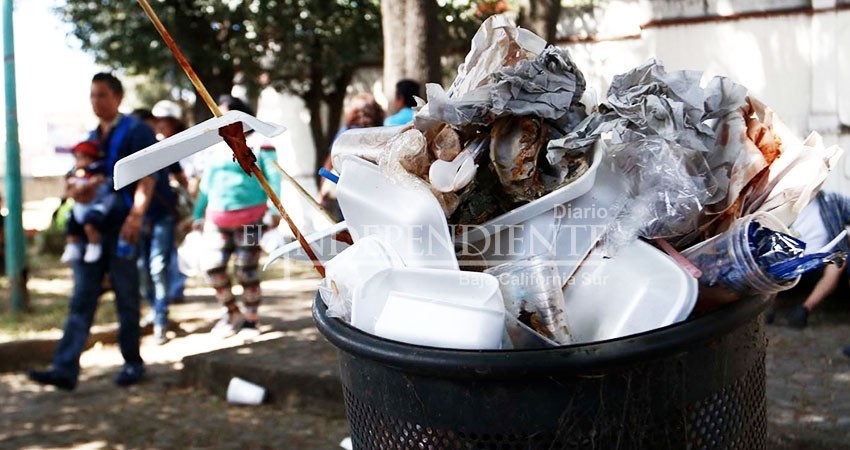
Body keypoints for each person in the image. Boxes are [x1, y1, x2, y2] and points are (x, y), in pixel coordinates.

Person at [28, 73, 157, 390]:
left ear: (117, 97)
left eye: (101, 95)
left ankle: (132, 362)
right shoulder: (90, 138)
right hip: (91, 232)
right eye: (92, 96)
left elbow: (148, 175)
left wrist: (137, 215)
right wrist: (76, 190)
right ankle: (65, 367)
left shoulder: (136, 131)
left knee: (127, 296)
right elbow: (75, 176)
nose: (96, 102)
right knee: (82, 297)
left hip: (121, 225)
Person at [193, 95, 281, 337]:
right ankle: (232, 312)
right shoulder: (213, 149)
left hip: (252, 219)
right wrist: (197, 214)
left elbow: (274, 176)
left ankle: (252, 319)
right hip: (216, 219)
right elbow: (206, 185)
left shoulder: (261, 143)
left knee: (247, 269)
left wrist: (275, 210)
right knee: (212, 267)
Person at [782, 190, 850, 328]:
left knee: (838, 260)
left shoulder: (831, 200)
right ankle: (768, 309)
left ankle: (804, 309)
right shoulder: (784, 204)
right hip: (791, 260)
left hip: (822, 259)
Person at [319, 93, 385, 220]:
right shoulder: (382, 133)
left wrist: (322, 192)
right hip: (374, 196)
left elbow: (331, 160)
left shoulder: (347, 133)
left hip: (347, 194)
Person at [60, 141, 113, 264]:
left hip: (96, 206)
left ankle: (94, 245)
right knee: (71, 224)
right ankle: (72, 246)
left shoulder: (98, 172)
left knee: (90, 225)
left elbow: (99, 182)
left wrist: (87, 185)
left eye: (82, 157)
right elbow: (69, 189)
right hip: (79, 207)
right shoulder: (73, 174)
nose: (79, 161)